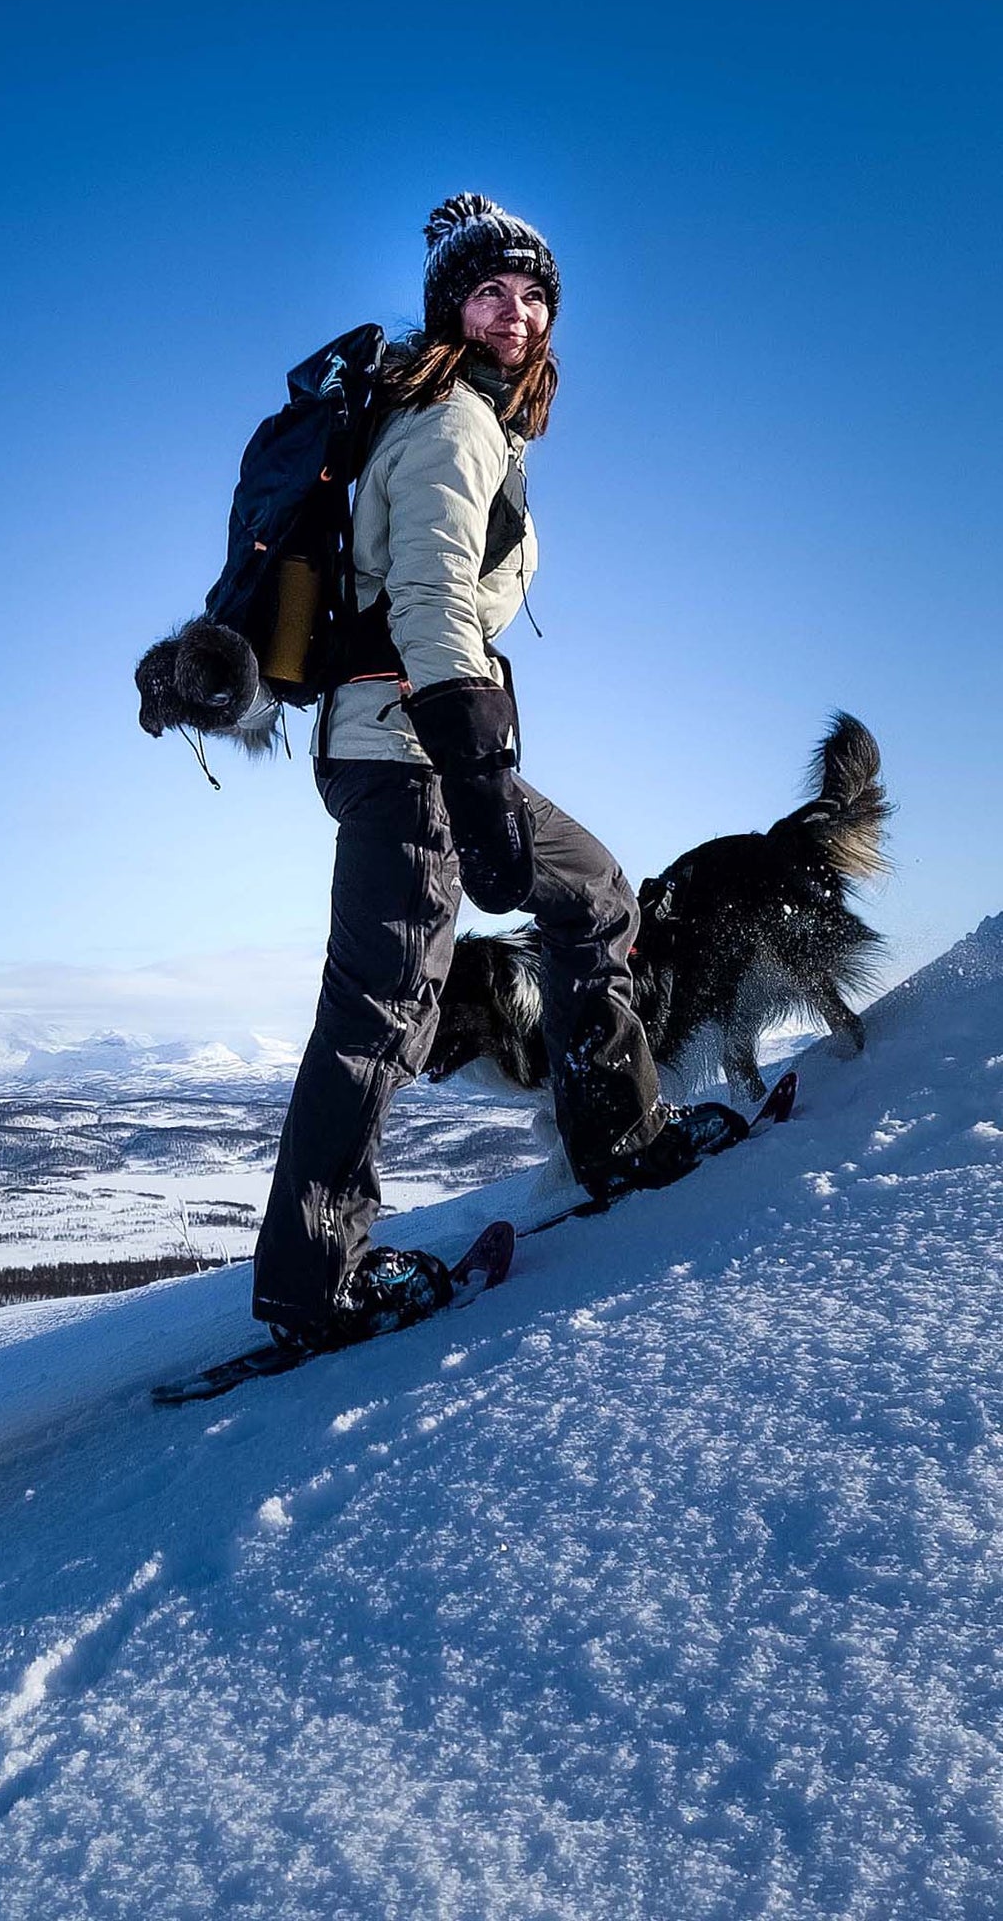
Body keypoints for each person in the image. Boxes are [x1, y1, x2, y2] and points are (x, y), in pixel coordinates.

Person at [251, 192, 744, 1353]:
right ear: (450, 312)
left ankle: (616, 1133)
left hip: (417, 741)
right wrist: (474, 781)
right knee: (377, 1011)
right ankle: (314, 1282)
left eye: (532, 295)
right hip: (408, 748)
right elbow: (425, 598)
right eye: (489, 292)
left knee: (596, 891)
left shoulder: (462, 419)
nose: (515, 312)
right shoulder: (448, 424)